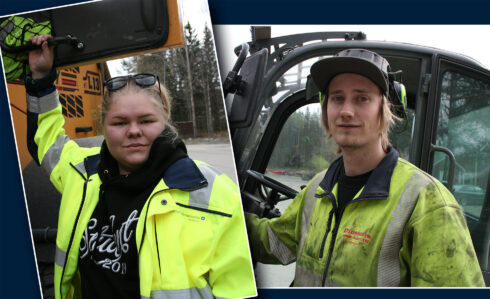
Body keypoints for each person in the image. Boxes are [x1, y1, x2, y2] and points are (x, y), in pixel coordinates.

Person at [26, 34, 256, 299]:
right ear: (103, 127)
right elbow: (45, 141)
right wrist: (42, 79)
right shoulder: (81, 173)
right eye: (120, 123)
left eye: (146, 121)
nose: (133, 131)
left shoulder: (212, 192)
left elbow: (240, 289)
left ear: (166, 121)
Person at [246, 48, 485, 287]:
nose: (346, 111)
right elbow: (274, 244)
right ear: (326, 108)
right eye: (337, 98)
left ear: (385, 108)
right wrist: (227, 215)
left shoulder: (427, 203)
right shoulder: (318, 188)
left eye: (362, 98)